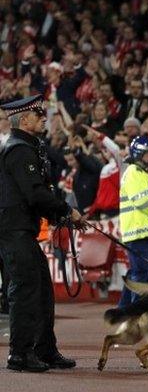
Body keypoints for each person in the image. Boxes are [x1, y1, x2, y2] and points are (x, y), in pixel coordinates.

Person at [0, 94, 84, 372]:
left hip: (21, 230)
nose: (43, 118)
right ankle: (19, 355)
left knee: (43, 292)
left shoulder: (25, 147)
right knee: (25, 291)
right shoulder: (19, 150)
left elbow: (36, 194)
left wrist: (59, 212)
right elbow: (35, 194)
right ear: (24, 120)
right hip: (14, 230)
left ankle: (45, 350)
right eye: (38, 115)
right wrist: (66, 211)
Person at [118, 135, 148, 307]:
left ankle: (123, 312)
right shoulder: (135, 173)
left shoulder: (140, 173)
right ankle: (137, 315)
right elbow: (144, 202)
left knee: (135, 274)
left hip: (141, 231)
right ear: (139, 154)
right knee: (141, 276)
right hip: (139, 232)